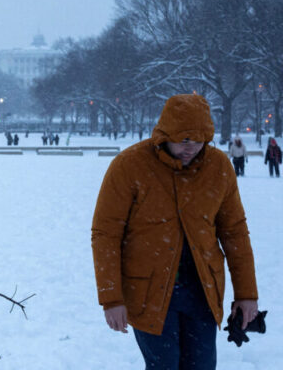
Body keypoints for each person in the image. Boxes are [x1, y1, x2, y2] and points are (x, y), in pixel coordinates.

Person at [92, 94, 259, 369]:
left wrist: (246, 294)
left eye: (199, 139)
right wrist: (111, 298)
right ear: (164, 134)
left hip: (202, 292)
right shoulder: (129, 165)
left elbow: (235, 233)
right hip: (148, 292)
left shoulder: (219, 167)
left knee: (202, 365)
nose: (191, 147)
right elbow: (105, 234)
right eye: (183, 139)